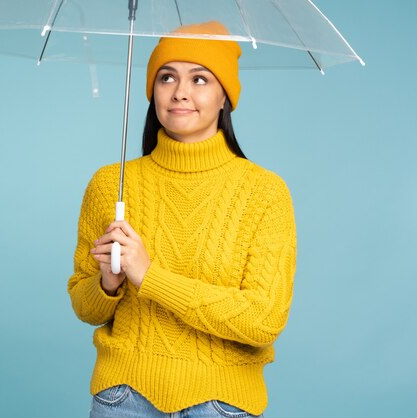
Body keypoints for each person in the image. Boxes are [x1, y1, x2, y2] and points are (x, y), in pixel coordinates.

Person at [68, 21, 296, 418]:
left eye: (201, 79)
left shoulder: (264, 192)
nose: (180, 92)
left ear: (226, 96)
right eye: (166, 77)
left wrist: (150, 276)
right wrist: (109, 281)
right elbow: (86, 309)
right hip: (122, 399)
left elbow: (264, 319)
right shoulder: (111, 184)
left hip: (222, 403)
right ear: (151, 90)